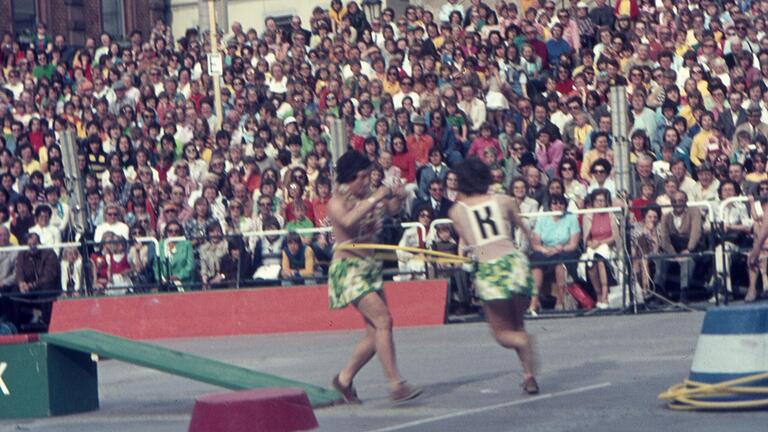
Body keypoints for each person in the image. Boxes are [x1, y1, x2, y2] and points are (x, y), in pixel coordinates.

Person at [327, 150, 421, 404]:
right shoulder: (337, 201)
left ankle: (343, 380)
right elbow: (348, 221)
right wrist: (377, 195)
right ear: (349, 177)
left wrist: (397, 198)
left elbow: (389, 210)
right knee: (383, 320)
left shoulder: (368, 195)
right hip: (348, 268)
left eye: (369, 176)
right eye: (362, 177)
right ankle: (395, 383)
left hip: (369, 266)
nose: (367, 181)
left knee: (375, 331)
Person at [448, 157, 539, 394]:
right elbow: (524, 229)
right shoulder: (504, 200)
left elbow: (468, 242)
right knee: (518, 323)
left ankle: (524, 344)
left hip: (490, 267)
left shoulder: (457, 211)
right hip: (514, 261)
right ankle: (528, 375)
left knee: (501, 333)